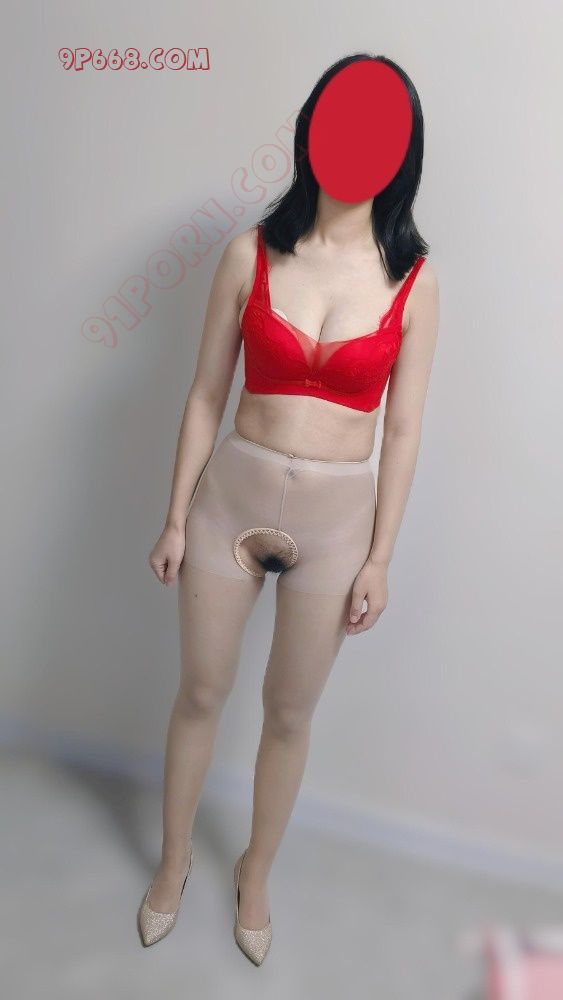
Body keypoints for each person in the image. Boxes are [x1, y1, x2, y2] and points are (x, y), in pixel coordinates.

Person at [139, 52, 440, 965]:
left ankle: (255, 874)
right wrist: (176, 516)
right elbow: (204, 394)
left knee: (287, 713)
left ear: (401, 153)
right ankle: (173, 862)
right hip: (229, 503)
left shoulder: (414, 280)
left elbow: (402, 431)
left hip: (337, 526)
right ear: (311, 131)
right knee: (200, 691)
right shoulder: (250, 252)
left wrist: (380, 557)